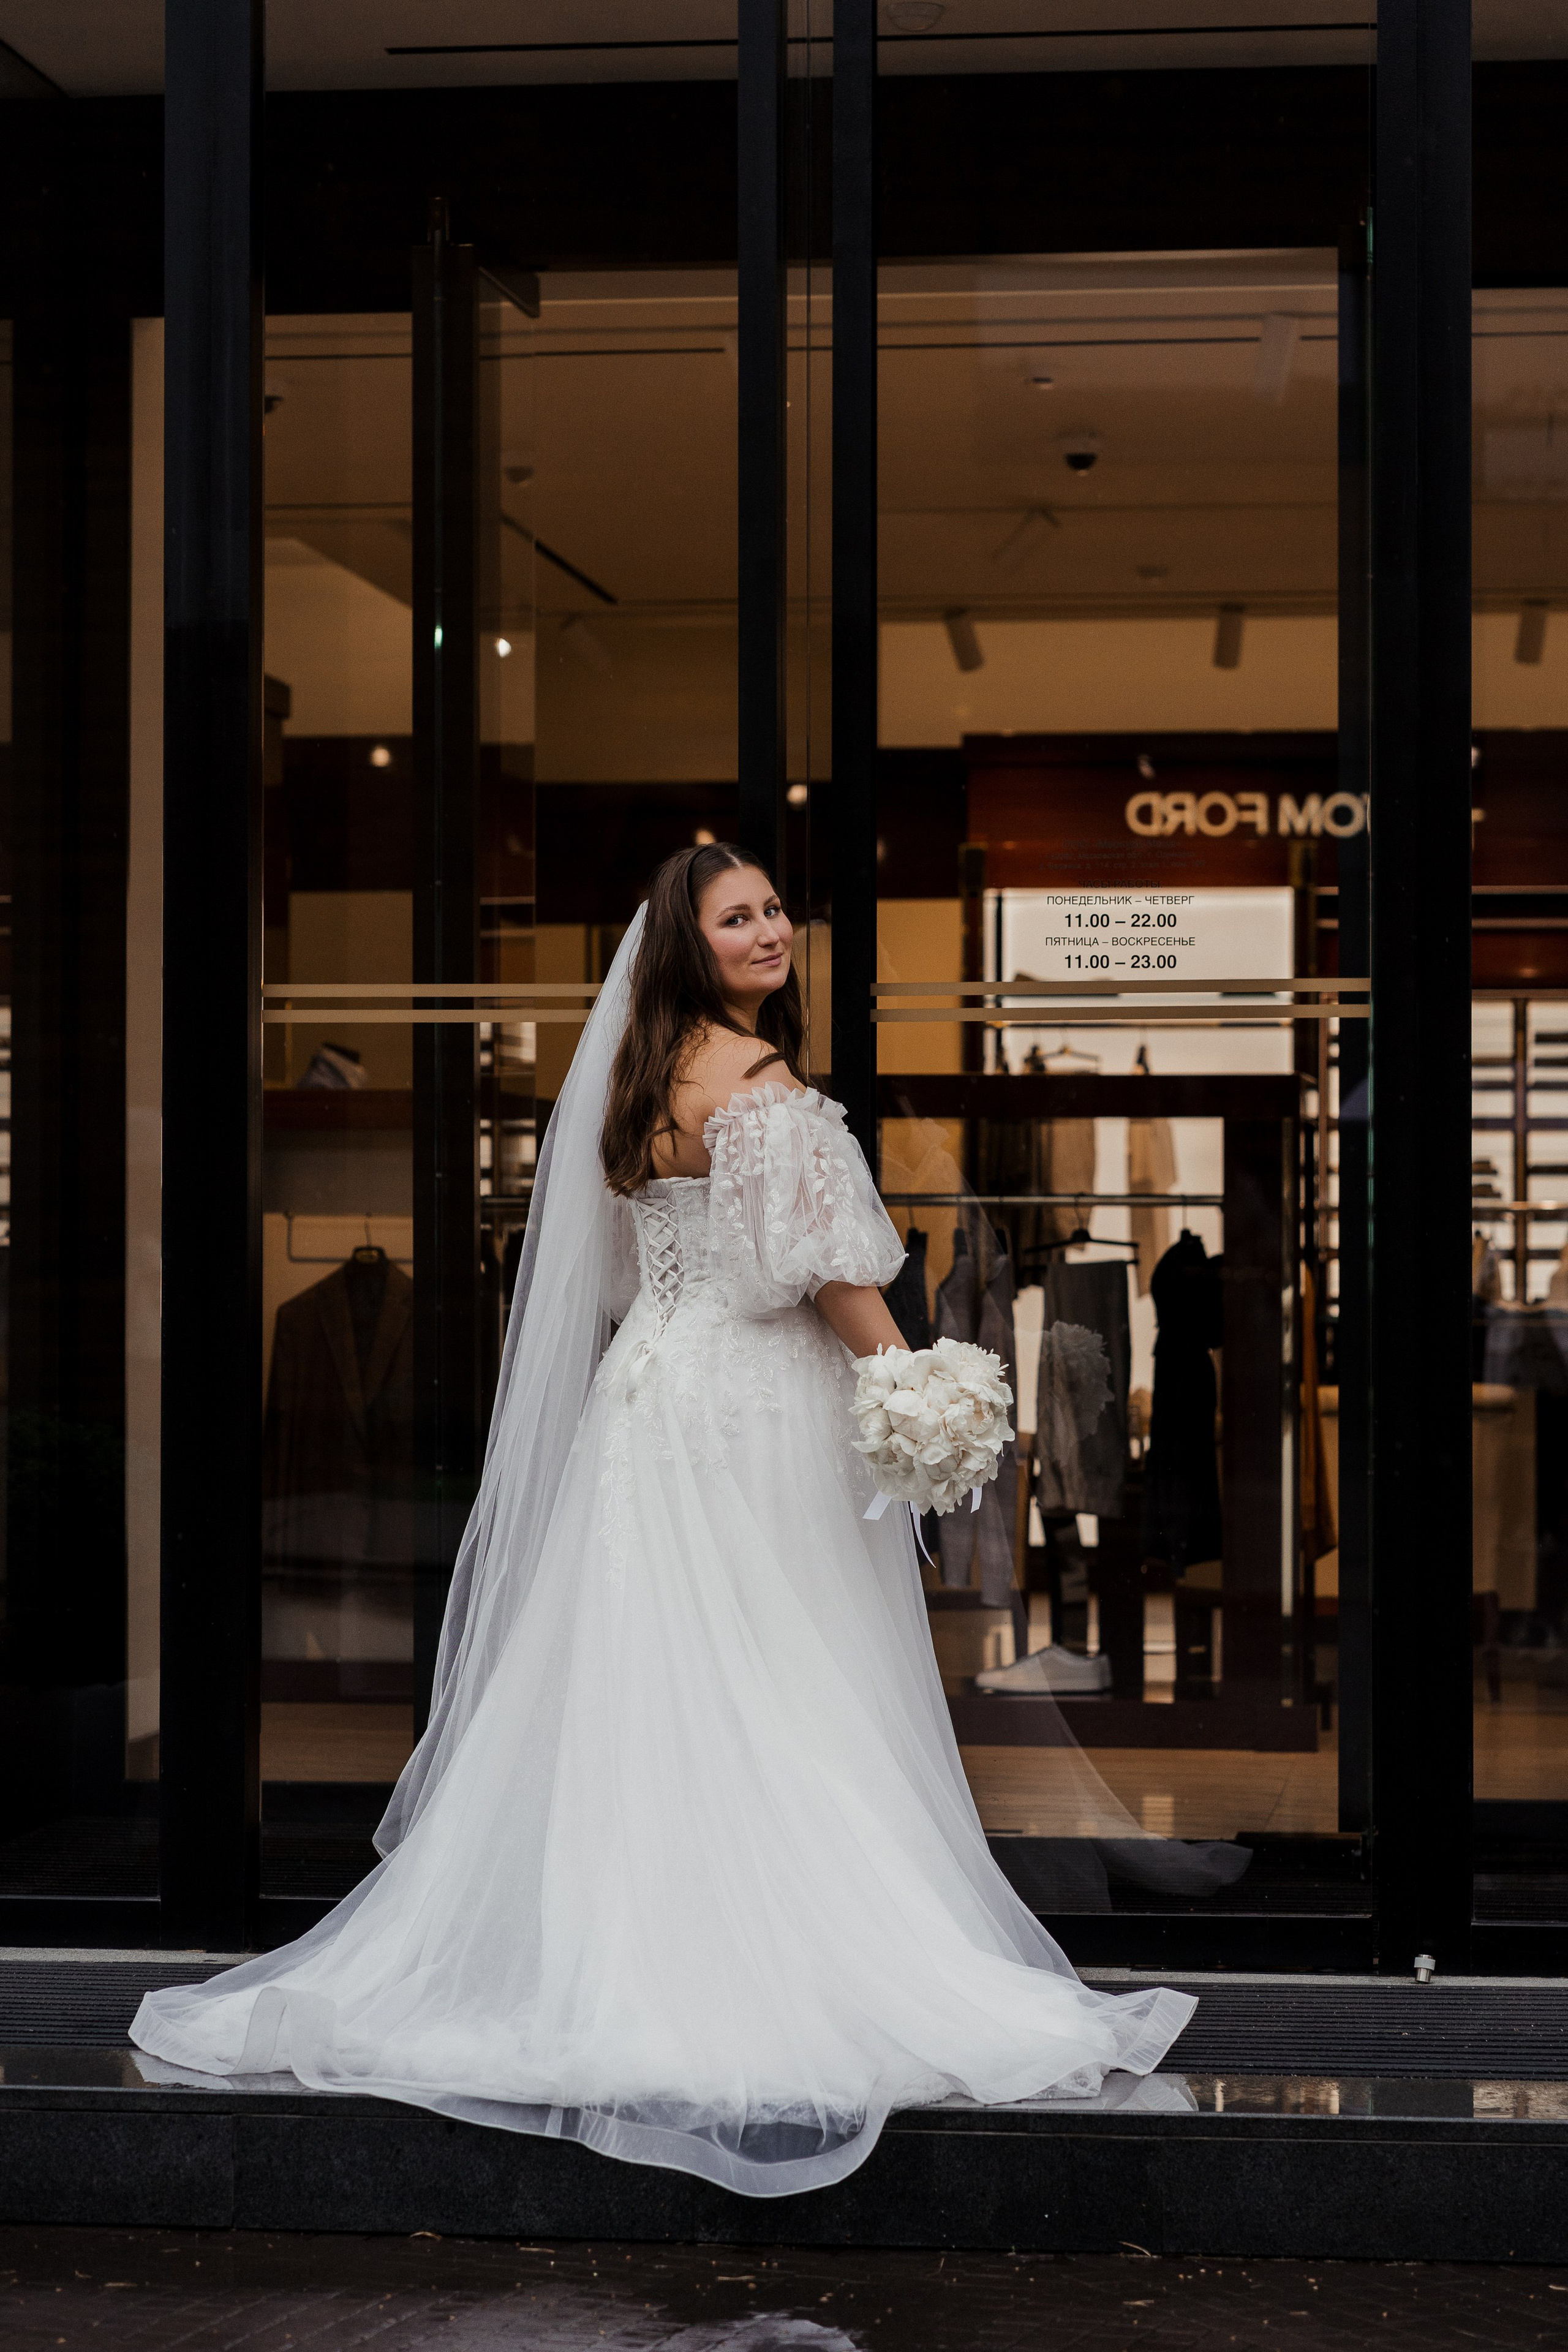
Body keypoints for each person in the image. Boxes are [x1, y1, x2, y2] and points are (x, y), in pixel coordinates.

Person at [132, 843, 1196, 2198]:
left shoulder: (641, 1081)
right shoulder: (758, 1085)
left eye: (772, 908)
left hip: (648, 1402)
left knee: (650, 1676)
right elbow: (819, 1269)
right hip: (749, 1408)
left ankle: (609, 1956)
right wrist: (907, 1379)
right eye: (735, 916)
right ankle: (765, 1969)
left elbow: (635, 1275)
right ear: (687, 944)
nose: (767, 929)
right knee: (777, 1678)